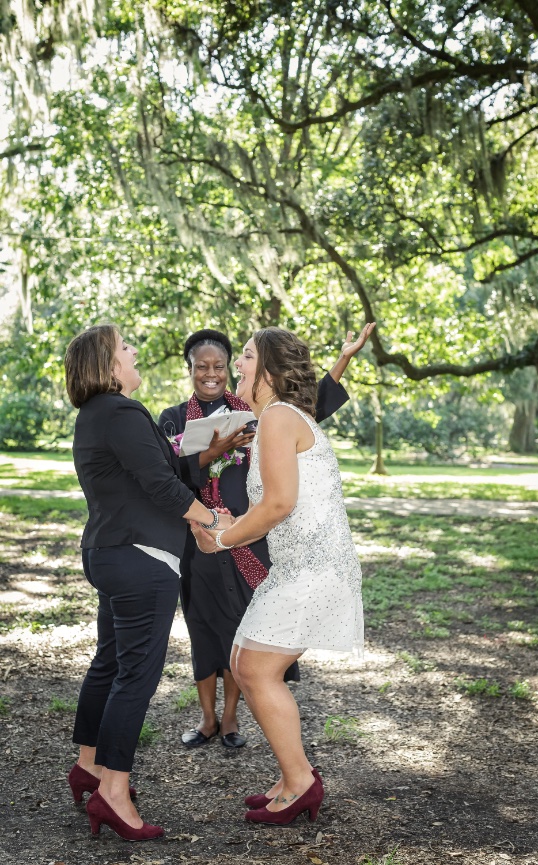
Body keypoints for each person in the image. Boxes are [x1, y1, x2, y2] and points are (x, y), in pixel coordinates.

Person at [158, 324, 374, 750]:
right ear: (189, 369)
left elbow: (309, 408)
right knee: (211, 634)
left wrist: (343, 358)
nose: (218, 371)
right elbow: (166, 474)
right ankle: (210, 720)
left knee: (247, 650)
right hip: (205, 534)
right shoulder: (172, 418)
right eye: (203, 366)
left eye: (228, 362)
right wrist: (212, 460)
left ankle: (239, 725)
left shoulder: (263, 415)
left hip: (253, 540)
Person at [63, 324, 232, 842]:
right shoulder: (122, 411)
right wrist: (212, 522)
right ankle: (114, 793)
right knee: (134, 676)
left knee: (110, 662)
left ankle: (89, 767)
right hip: (140, 559)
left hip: (110, 554)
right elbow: (161, 486)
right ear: (111, 366)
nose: (133, 352)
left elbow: (159, 470)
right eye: (125, 347)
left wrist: (210, 453)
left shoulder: (97, 415)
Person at [194, 327, 364, 826]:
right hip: (298, 567)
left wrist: (224, 539)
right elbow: (279, 505)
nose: (236, 366)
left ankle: (300, 783)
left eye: (245, 356)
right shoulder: (282, 416)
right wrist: (228, 526)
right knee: (244, 661)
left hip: (313, 569)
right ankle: (294, 776)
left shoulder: (276, 418)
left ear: (266, 371)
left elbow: (280, 503)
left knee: (255, 670)